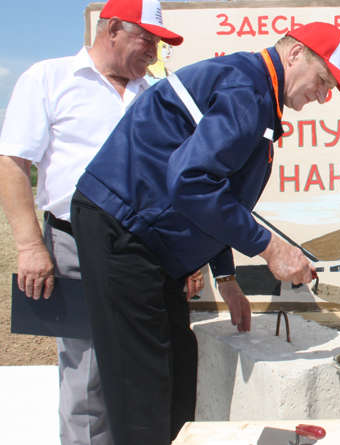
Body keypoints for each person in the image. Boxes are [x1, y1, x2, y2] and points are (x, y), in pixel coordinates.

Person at [69, 21, 340, 445]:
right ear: (296, 53)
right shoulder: (247, 90)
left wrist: (225, 277)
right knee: (142, 391)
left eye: (329, 88)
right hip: (124, 231)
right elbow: (191, 183)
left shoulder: (257, 92)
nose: (322, 96)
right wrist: (270, 247)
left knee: (179, 366)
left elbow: (221, 197)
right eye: (322, 81)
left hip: (150, 244)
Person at [0, 1, 200, 444]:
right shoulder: (48, 78)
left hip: (148, 252)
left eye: (158, 43)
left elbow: (176, 179)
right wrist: (30, 247)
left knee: (147, 368)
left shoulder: (154, 94)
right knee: (88, 373)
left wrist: (185, 257)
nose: (153, 51)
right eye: (146, 39)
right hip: (77, 244)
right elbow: (12, 164)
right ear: (111, 30)